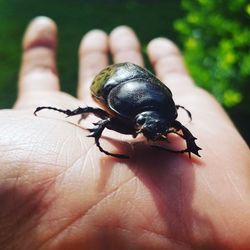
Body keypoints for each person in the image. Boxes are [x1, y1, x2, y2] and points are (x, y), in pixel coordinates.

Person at [0, 16, 249, 250]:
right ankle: (68, 114)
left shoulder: (166, 109)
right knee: (95, 114)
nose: (152, 131)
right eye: (144, 123)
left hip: (143, 93)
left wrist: (190, 149)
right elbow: (101, 116)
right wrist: (98, 138)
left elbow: (179, 126)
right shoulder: (116, 110)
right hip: (115, 87)